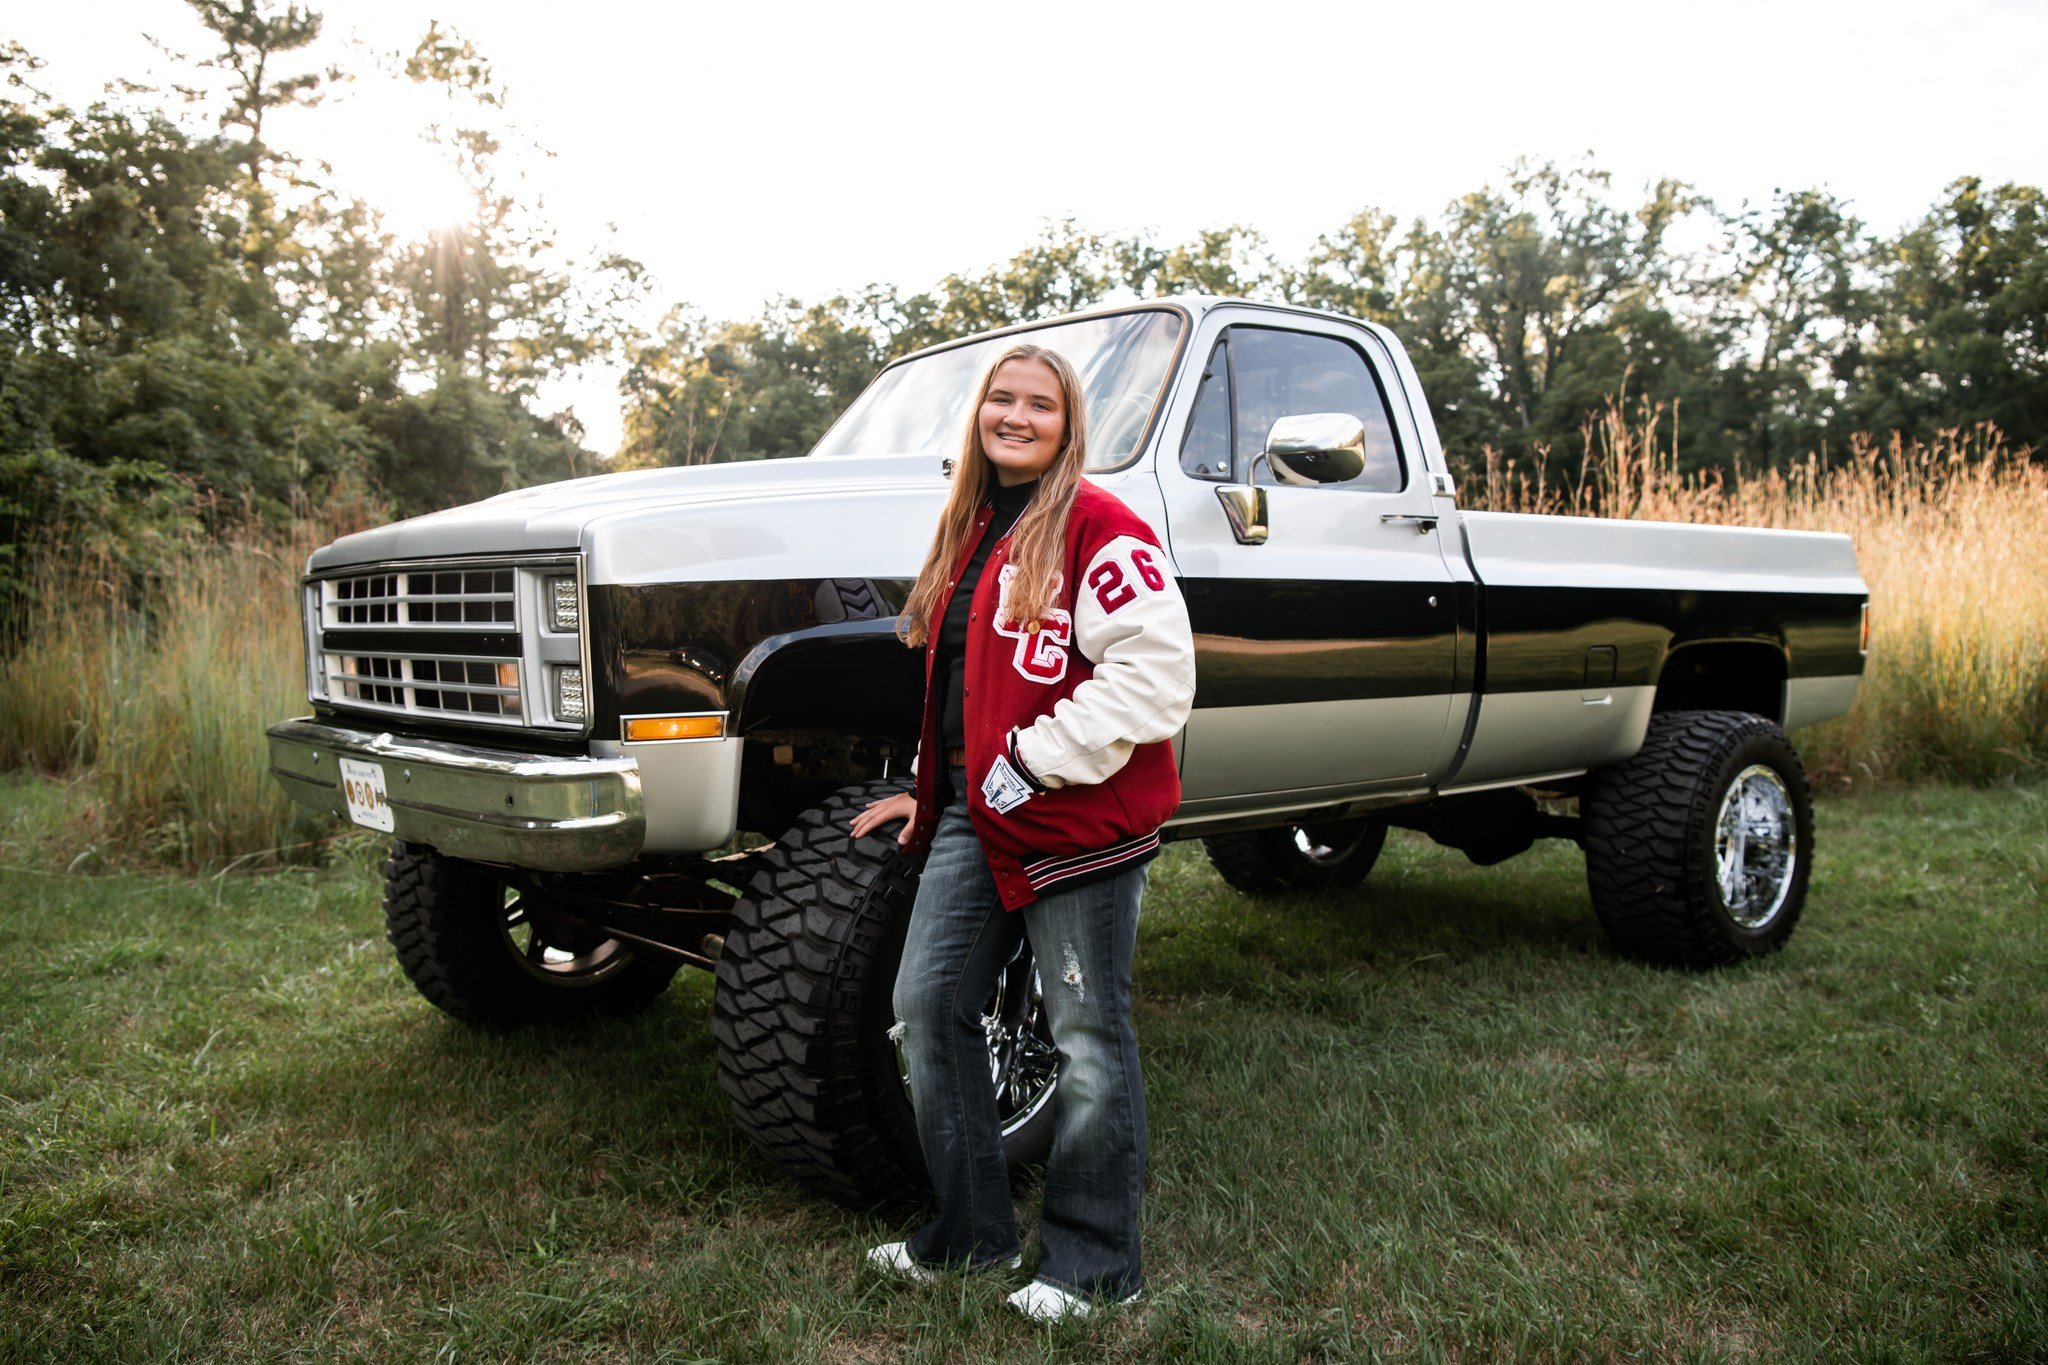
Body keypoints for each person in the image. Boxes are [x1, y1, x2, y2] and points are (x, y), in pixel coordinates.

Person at [851, 342, 1196, 1322]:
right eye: (999, 398)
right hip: (980, 811)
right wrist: (935, 787)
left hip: (1076, 818)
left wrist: (1033, 761)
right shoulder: (965, 527)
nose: (1014, 415)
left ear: (1065, 422)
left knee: (1086, 1034)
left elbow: (1156, 680)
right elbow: (963, 682)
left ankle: (1095, 1271)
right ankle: (967, 1239)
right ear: (977, 415)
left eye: (1037, 403)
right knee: (927, 1007)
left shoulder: (1102, 528)